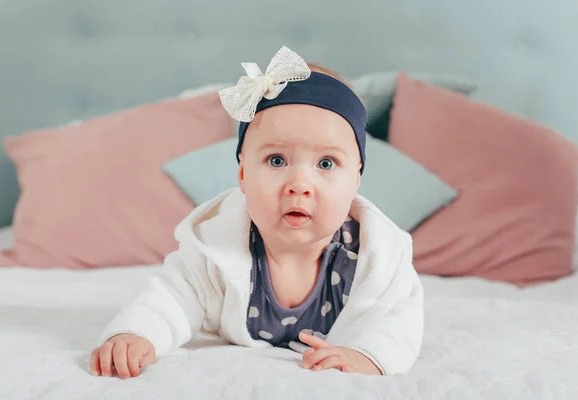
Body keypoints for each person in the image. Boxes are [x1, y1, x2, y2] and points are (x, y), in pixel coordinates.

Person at [89, 46, 424, 378]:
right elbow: (174, 297)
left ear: (356, 179)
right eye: (277, 160)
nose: (299, 184)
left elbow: (398, 318)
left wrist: (366, 355)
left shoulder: (374, 256)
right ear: (243, 175)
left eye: (326, 163)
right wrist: (136, 333)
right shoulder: (218, 246)